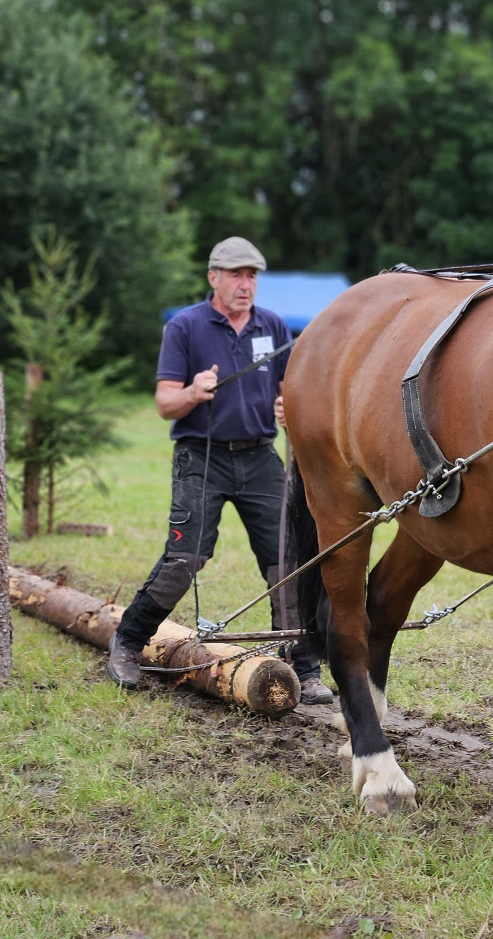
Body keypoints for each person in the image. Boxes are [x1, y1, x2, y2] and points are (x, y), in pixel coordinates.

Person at [108, 236, 333, 702]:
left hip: (258, 458)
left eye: (252, 275)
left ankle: (303, 666)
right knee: (185, 559)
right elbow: (165, 402)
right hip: (200, 457)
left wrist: (289, 405)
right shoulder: (186, 327)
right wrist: (192, 391)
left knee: (287, 562)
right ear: (214, 277)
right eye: (236, 275)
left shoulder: (272, 325)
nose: (245, 284)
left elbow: (290, 386)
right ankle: (128, 643)